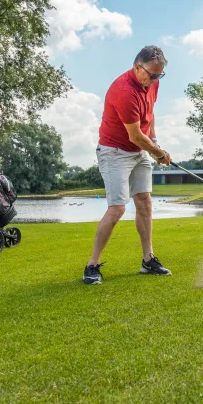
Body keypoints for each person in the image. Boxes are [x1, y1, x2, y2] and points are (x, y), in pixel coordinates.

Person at [83, 46, 172, 284]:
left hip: (140, 148)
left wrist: (154, 142)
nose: (154, 80)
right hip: (115, 152)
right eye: (151, 75)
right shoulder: (124, 90)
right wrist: (159, 153)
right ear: (137, 68)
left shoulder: (152, 83)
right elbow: (134, 136)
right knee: (117, 208)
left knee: (144, 201)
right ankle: (92, 265)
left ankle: (148, 260)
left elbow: (150, 115)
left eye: (159, 76)